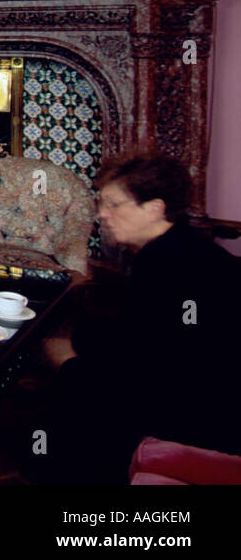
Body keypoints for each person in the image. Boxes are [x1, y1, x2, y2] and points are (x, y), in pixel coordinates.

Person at [45, 152, 238, 482]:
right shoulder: (180, 247)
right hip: (201, 387)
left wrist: (68, 363)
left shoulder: (168, 265)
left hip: (208, 416)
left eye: (114, 204)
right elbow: (142, 334)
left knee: (68, 400)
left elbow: (148, 370)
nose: (102, 215)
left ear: (155, 208)